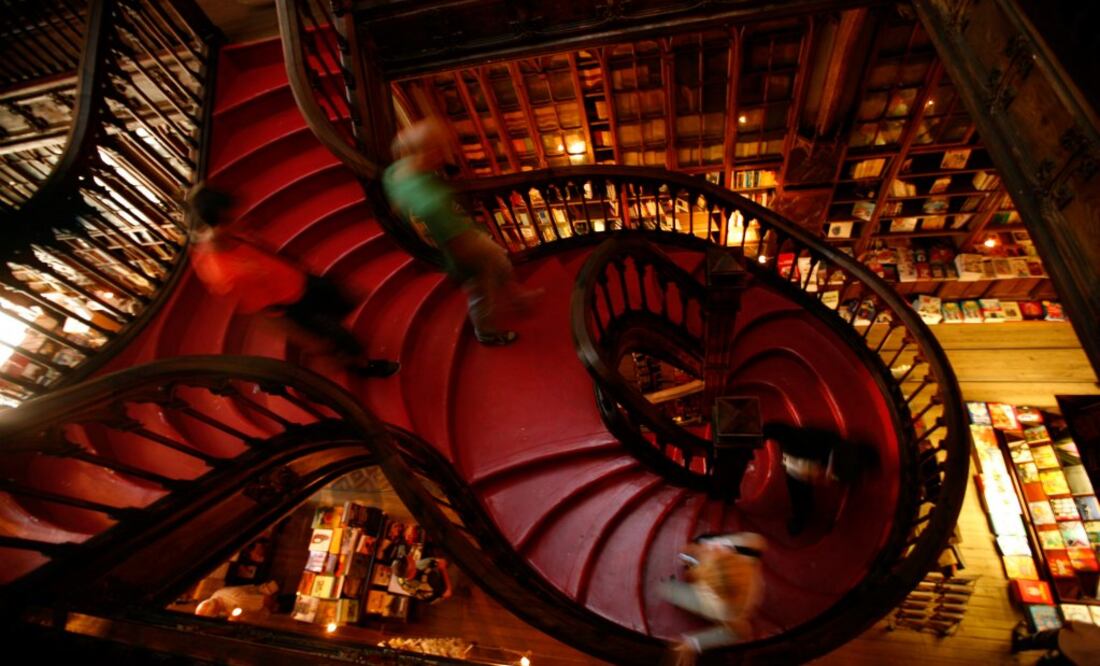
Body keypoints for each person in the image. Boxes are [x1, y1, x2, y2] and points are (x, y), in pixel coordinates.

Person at [186, 185, 399, 378]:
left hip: (300, 281)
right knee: (340, 340)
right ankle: (360, 365)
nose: (238, 221)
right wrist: (309, 341)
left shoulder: (228, 235)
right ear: (214, 227)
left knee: (345, 300)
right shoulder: (226, 274)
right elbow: (267, 316)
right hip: (295, 307)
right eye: (230, 220)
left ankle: (342, 349)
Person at [383, 118, 541, 345]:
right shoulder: (432, 202)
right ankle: (486, 334)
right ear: (424, 151)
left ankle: (517, 297)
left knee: (499, 259)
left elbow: (397, 203)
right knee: (481, 294)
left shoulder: (396, 171)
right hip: (464, 247)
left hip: (465, 234)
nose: (444, 155)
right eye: (438, 148)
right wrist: (472, 267)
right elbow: (456, 245)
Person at [659, 532, 766, 665]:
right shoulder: (745, 561)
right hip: (721, 582)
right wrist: (725, 543)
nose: (715, 547)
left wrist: (694, 643)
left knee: (669, 590)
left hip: (712, 600)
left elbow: (739, 631)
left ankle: (680, 578)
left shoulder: (724, 609)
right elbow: (756, 540)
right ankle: (689, 566)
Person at [762, 422, 863, 536]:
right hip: (798, 463)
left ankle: (800, 519)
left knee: (800, 497)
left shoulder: (838, 463)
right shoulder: (809, 441)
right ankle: (800, 519)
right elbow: (779, 430)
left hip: (800, 473)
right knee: (799, 494)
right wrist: (759, 437)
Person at [1012, 619, 1100, 665]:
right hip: (1076, 662)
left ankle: (1019, 644)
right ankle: (1043, 662)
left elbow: (1070, 624)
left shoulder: (1096, 630)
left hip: (1063, 639)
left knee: (1039, 640)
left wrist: (1067, 623)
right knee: (1054, 663)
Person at [194, 580, 279, 618]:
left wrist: (274, 610)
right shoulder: (216, 596)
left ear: (215, 613)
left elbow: (266, 600)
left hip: (273, 607)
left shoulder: (238, 600)